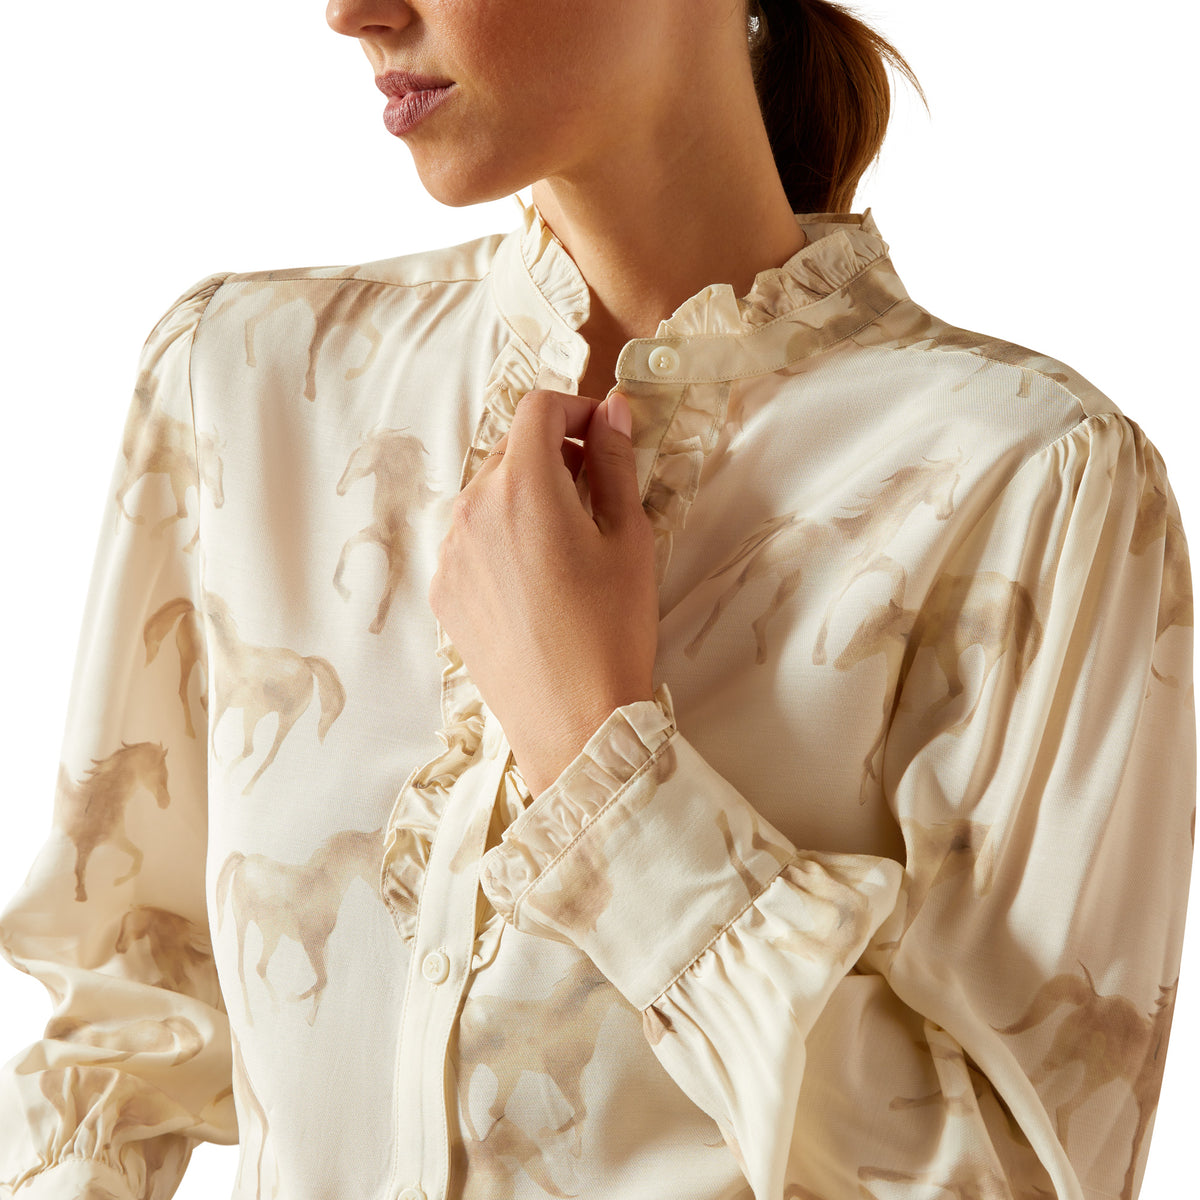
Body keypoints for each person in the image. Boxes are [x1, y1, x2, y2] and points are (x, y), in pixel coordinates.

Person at [0, 2, 1194, 1199]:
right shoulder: (248, 386)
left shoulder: (1033, 489)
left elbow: (1023, 1175)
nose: (352, 12)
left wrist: (601, 770)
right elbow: (117, 1040)